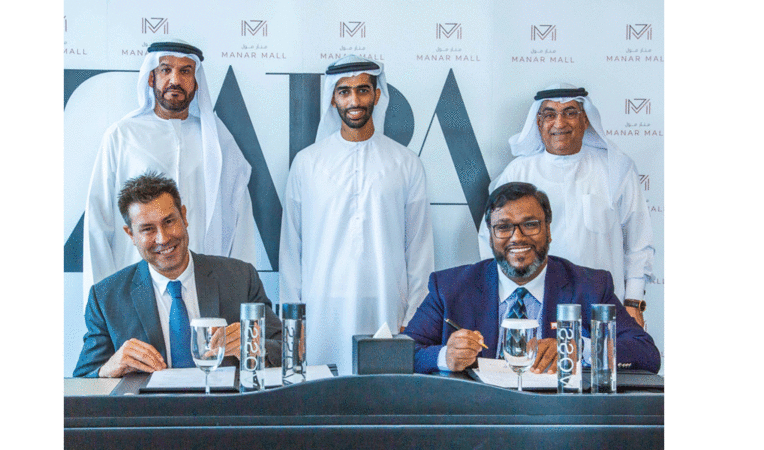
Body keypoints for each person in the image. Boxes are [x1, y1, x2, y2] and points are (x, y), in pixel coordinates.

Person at [279, 55, 434, 375]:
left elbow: (419, 250)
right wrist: (293, 325)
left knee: (383, 396)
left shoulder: (406, 163)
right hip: (321, 314)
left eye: (363, 90)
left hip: (387, 309)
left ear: (377, 95)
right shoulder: (307, 163)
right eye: (344, 91)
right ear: (332, 98)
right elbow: (291, 250)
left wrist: (413, 319)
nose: (354, 100)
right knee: (323, 395)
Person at [405, 182, 660, 375]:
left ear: (548, 230)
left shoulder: (589, 286)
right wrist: (445, 356)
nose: (517, 237)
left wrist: (577, 347)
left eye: (530, 225)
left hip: (558, 418)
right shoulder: (450, 287)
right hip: (478, 418)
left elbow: (646, 353)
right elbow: (403, 353)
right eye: (503, 227)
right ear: (490, 236)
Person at [83, 39, 255, 305]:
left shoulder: (219, 141)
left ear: (196, 83)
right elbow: (98, 222)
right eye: (166, 70)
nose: (175, 80)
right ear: (151, 77)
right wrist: (104, 306)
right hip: (137, 290)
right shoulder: (122, 136)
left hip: (205, 287)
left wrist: (242, 295)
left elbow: (240, 223)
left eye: (185, 71)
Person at [477, 83, 654, 327]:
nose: (559, 123)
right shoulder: (518, 172)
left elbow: (638, 241)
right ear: (539, 122)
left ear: (585, 120)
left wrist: (633, 302)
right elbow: (491, 240)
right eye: (550, 115)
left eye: (570, 113)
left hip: (600, 305)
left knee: (601, 353)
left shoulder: (616, 169)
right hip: (534, 306)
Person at [74, 172, 281, 378]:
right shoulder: (106, 298)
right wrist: (107, 369)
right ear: (131, 234)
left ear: (183, 216)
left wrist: (255, 347)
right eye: (148, 229)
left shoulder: (240, 278)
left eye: (169, 221)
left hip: (225, 399)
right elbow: (82, 380)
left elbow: (285, 349)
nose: (163, 238)